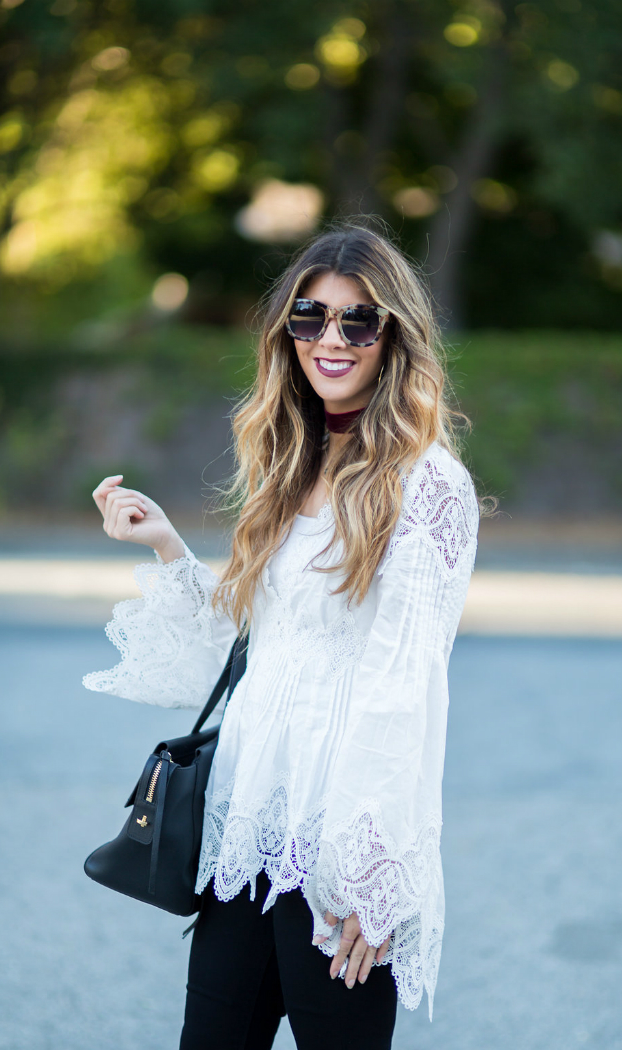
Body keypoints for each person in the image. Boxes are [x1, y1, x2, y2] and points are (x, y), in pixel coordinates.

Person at [83, 223, 480, 1050]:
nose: (330, 340)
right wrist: (165, 545)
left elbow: (402, 689)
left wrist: (368, 878)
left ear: (393, 336)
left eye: (357, 322)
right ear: (286, 331)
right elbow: (254, 652)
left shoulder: (429, 485)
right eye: (310, 318)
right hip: (247, 826)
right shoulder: (290, 461)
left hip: (336, 844)